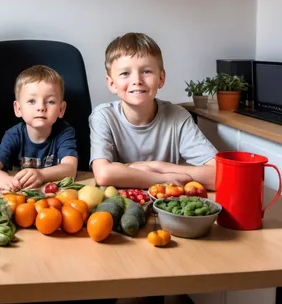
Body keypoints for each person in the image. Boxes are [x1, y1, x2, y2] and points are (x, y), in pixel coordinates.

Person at [90, 32, 217, 190]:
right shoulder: (103, 116)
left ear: (161, 79)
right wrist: (162, 179)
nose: (137, 80)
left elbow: (219, 175)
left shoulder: (179, 116)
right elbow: (104, 174)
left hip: (169, 205)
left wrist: (157, 166)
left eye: (146, 71)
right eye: (125, 73)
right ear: (112, 84)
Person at [0, 65, 78, 191]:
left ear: (61, 109)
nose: (41, 107)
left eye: (50, 101)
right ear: (18, 108)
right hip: (20, 195)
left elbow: (70, 169)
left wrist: (42, 175)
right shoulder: (14, 135)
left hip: (53, 197)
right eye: (32, 101)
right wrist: (1, 178)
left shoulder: (64, 133)